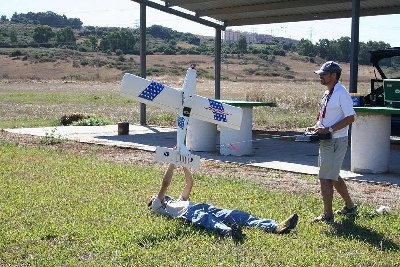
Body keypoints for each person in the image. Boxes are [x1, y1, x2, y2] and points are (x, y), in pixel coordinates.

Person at [148, 163, 298, 238]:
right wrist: (172, 163)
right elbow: (165, 184)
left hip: (201, 206)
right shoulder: (158, 207)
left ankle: (275, 227)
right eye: (153, 198)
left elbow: (189, 184)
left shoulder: (176, 201)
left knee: (234, 214)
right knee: (208, 220)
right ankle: (230, 232)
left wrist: (184, 163)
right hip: (190, 213)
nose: (154, 196)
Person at [307, 61, 357, 224]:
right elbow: (325, 116)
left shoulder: (341, 93)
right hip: (327, 139)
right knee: (333, 176)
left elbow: (351, 117)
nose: (320, 76)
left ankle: (328, 215)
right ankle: (350, 207)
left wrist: (329, 130)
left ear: (333, 76)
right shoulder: (327, 93)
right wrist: (317, 127)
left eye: (324, 74)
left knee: (325, 177)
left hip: (335, 140)